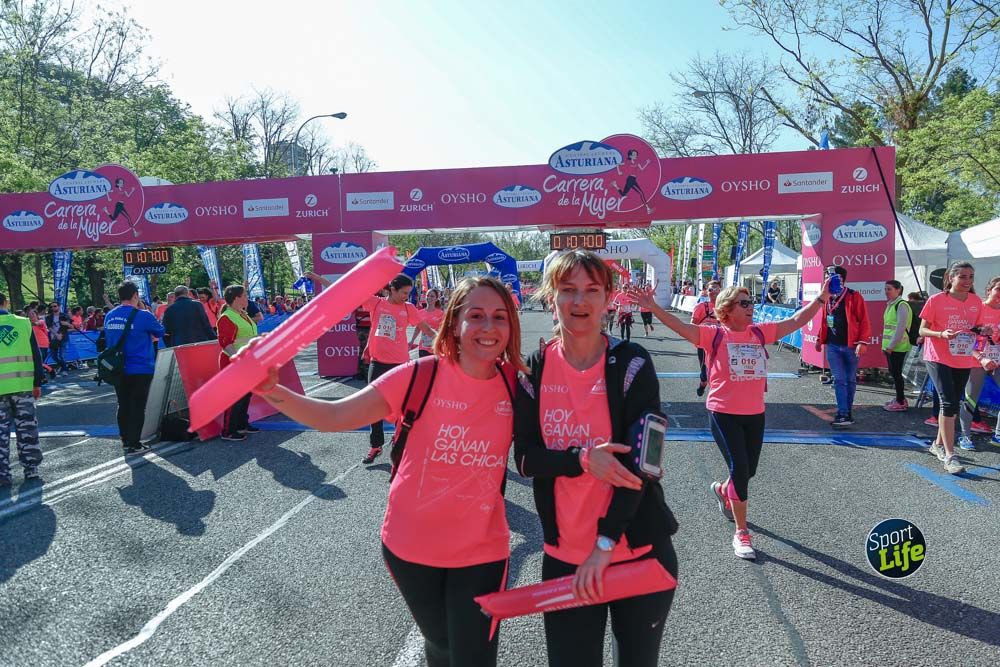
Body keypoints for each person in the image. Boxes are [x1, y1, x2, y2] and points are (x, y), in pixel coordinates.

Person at [252, 277, 523, 667]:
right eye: (475, 315)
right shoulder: (419, 375)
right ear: (454, 323)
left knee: (473, 656)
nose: (488, 326)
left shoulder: (518, 385)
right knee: (442, 646)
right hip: (410, 547)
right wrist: (271, 389)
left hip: (482, 550)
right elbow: (335, 416)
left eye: (499, 317)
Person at [515, 250, 678, 667]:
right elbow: (526, 461)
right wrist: (582, 459)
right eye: (567, 290)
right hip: (566, 558)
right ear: (550, 297)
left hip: (637, 553)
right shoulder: (535, 368)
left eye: (591, 290)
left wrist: (606, 542)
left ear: (609, 298)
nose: (579, 302)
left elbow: (645, 462)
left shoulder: (633, 362)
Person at [633, 280, 831, 560]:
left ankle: (724, 490)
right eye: (745, 303)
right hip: (723, 413)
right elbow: (680, 328)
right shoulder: (713, 335)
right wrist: (652, 307)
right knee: (740, 470)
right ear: (727, 309)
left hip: (755, 414)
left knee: (748, 472)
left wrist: (821, 300)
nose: (751, 308)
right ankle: (741, 533)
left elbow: (796, 320)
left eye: (751, 302)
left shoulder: (760, 333)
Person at [361, 275, 436, 464]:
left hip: (400, 365)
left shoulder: (408, 308)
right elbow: (348, 293)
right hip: (378, 363)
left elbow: (426, 329)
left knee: (401, 407)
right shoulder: (376, 303)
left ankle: (401, 442)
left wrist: (446, 342)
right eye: (403, 292)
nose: (406, 296)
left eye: (408, 293)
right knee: (372, 407)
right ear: (392, 289)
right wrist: (319, 279)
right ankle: (376, 445)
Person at [919, 261, 983, 474]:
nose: (967, 281)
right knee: (948, 403)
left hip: (962, 357)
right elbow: (922, 331)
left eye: (971, 277)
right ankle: (950, 455)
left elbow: (978, 328)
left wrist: (986, 330)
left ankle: (937, 445)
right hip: (937, 356)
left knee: (953, 404)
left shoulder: (976, 301)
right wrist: (941, 334)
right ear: (951, 278)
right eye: (963, 276)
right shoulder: (936, 300)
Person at [100, 281, 165, 455]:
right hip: (140, 367)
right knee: (137, 405)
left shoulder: (110, 315)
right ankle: (134, 443)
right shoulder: (144, 315)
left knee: (123, 404)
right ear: (135, 295)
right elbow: (160, 331)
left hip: (117, 368)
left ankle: (124, 439)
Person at [814, 266, 871, 427]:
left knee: (850, 380)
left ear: (840, 279)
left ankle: (847, 411)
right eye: (826, 277)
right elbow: (825, 320)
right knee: (839, 380)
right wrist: (819, 338)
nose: (826, 280)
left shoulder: (854, 296)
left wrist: (862, 341)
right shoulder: (827, 298)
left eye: (829, 277)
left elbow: (864, 320)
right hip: (833, 346)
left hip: (851, 345)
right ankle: (843, 413)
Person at [0, 292, 45, 486]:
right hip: (23, 387)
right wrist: (37, 383)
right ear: (6, 303)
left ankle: (3, 473)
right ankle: (31, 468)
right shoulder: (23, 323)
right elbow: (36, 356)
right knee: (26, 429)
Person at [957, 275, 1000, 449]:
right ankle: (965, 436)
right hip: (976, 359)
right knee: (971, 398)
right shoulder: (978, 308)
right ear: (989, 290)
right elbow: (964, 339)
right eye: (998, 289)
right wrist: (981, 357)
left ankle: (998, 435)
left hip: (996, 358)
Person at [217, 285, 259, 441]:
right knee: (234, 396)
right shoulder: (227, 317)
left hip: (247, 360)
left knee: (246, 394)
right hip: (232, 360)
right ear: (236, 298)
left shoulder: (243, 315)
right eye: (245, 295)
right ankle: (228, 430)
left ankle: (241, 424)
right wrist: (237, 359)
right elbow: (225, 342)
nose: (247, 298)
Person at [882, 280, 913, 412]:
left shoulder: (901, 305)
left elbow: (900, 328)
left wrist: (891, 346)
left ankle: (900, 401)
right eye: (885, 289)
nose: (886, 291)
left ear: (898, 290)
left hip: (897, 347)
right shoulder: (891, 304)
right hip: (891, 347)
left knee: (896, 374)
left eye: (889, 289)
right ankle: (899, 398)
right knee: (894, 373)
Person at [691, 280, 722, 397]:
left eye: (716, 290)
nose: (713, 292)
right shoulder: (700, 307)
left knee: (721, 370)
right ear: (706, 292)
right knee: (704, 372)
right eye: (710, 290)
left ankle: (717, 393)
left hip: (721, 344)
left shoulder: (725, 308)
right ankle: (703, 383)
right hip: (704, 344)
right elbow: (692, 325)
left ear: (720, 291)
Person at [611, 149, 654, 215]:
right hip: (630, 179)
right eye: (634, 154)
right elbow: (618, 164)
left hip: (633, 179)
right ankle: (648, 209)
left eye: (636, 154)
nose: (636, 155)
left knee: (623, 194)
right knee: (641, 193)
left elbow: (642, 169)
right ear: (630, 156)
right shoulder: (627, 162)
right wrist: (619, 171)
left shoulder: (637, 162)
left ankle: (615, 185)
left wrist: (647, 163)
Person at [410, 288, 444, 358]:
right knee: (424, 368)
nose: (429, 298)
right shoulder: (420, 313)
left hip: (436, 347)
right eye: (428, 295)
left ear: (436, 298)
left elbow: (444, 329)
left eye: (432, 296)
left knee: (436, 368)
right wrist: (412, 340)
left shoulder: (441, 314)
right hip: (423, 347)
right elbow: (418, 328)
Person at [45, 302, 71, 375]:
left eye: (55, 306)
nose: (53, 308)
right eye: (52, 306)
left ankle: (64, 370)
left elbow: (71, 326)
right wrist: (56, 334)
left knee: (62, 355)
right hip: (54, 338)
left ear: (59, 306)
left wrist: (67, 324)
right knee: (54, 356)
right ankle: (62, 365)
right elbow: (49, 327)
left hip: (64, 337)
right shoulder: (49, 317)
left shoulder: (64, 315)